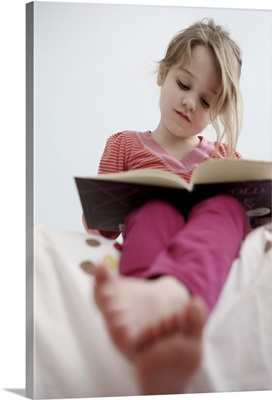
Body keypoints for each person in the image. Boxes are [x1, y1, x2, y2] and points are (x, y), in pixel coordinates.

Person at [83, 19, 248, 394]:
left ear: (218, 109)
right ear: (163, 74)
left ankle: (170, 297)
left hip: (206, 237)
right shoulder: (123, 145)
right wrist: (97, 214)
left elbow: (250, 222)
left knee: (228, 208)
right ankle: (155, 328)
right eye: (184, 85)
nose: (190, 102)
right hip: (149, 230)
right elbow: (102, 226)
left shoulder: (225, 156)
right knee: (155, 208)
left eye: (206, 101)